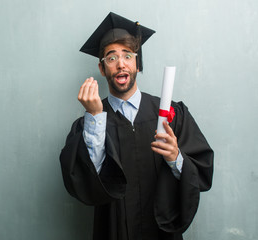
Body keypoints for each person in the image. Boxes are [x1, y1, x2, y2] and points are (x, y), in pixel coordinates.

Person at [59, 12, 214, 240]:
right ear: (102, 69)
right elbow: (80, 181)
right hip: (113, 232)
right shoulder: (90, 122)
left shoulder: (172, 114)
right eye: (111, 58)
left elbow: (201, 173)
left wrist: (176, 158)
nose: (121, 64)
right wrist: (95, 117)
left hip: (162, 232)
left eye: (128, 56)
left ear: (137, 64)